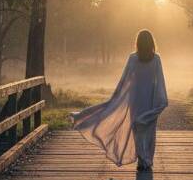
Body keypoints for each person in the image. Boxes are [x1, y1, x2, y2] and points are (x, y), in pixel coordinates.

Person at [71, 29, 168, 170]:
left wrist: (116, 97)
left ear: (138, 43)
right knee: (149, 130)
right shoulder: (156, 59)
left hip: (136, 99)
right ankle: (146, 160)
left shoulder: (133, 58)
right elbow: (159, 80)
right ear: (152, 43)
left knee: (137, 129)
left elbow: (125, 79)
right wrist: (160, 98)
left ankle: (142, 160)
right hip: (150, 98)